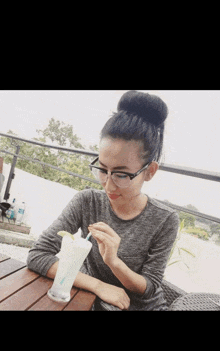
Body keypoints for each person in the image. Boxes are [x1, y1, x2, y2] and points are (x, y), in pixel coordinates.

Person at [27, 90, 179, 311]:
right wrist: (98, 285)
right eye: (102, 169)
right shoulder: (87, 201)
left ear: (149, 172)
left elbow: (149, 287)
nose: (107, 185)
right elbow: (38, 255)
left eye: (121, 174)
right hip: (96, 302)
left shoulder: (165, 220)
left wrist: (113, 261)